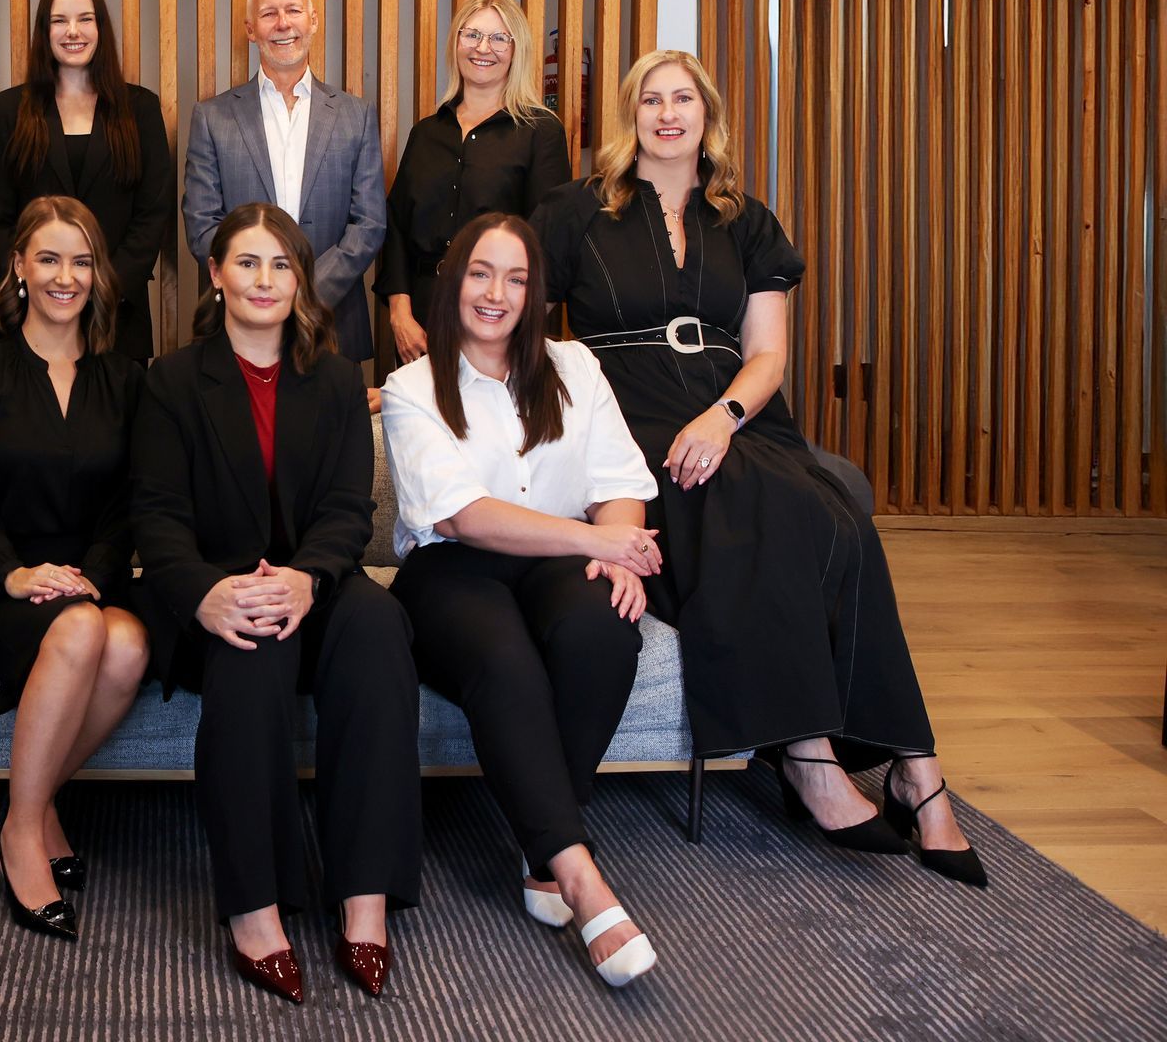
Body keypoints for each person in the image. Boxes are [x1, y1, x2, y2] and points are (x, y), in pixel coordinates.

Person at [528, 49, 986, 888]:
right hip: (630, 414)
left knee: (838, 514)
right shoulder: (578, 211)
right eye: (652, 100)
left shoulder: (745, 218)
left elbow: (769, 353)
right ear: (632, 116)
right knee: (742, 499)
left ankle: (916, 767)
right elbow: (509, 309)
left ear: (708, 115)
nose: (669, 113)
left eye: (685, 99)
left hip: (733, 408)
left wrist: (725, 414)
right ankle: (807, 754)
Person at [132, 202, 420, 1003]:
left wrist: (308, 577)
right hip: (219, 592)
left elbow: (345, 512)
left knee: (377, 626)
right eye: (248, 263)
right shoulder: (171, 381)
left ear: (301, 281)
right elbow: (155, 517)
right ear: (217, 274)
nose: (264, 280)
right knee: (249, 657)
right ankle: (255, 909)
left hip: (316, 583)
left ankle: (364, 898)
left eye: (281, 265)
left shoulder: (332, 377)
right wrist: (207, 594)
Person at [379, 213, 660, 988]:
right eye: (479, 272)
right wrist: (602, 544)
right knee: (503, 658)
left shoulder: (575, 368)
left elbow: (620, 483)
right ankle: (579, 877)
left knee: (606, 626)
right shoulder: (411, 385)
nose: (495, 293)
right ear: (453, 281)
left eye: (517, 278)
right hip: (451, 567)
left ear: (537, 294)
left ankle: (542, 852)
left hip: (559, 556)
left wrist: (622, 548)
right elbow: (463, 515)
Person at [0, 195, 150, 941]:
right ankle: (25, 837)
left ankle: (24, 813)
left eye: (82, 260)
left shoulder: (127, 378)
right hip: (4, 589)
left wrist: (94, 571)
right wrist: (14, 575)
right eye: (50, 258)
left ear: (98, 276)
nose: (66, 275)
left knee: (124, 641)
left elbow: (132, 500)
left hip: (91, 583)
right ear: (20, 268)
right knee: (79, 633)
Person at [181, 0, 386, 363]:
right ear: (250, 29)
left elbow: (369, 224)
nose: (282, 24)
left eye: (293, 10)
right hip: (241, 325)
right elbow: (202, 226)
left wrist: (305, 292)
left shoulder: (355, 116)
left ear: (312, 21)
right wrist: (260, 286)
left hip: (333, 324)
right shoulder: (212, 117)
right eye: (268, 13)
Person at [0, 0, 173, 361]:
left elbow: (152, 218)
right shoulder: (9, 110)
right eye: (59, 20)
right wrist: (34, 288)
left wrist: (103, 289)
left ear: (100, 27)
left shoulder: (141, 109)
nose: (73, 31)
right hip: (31, 316)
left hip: (118, 316)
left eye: (85, 19)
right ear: (44, 31)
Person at [377, 0, 571, 364]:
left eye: (499, 38)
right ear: (456, 43)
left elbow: (549, 241)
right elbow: (396, 226)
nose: (484, 48)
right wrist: (400, 315)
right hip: (421, 318)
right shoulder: (426, 133)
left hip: (497, 316)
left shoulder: (540, 132)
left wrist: (508, 329)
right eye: (473, 35)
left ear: (517, 51)